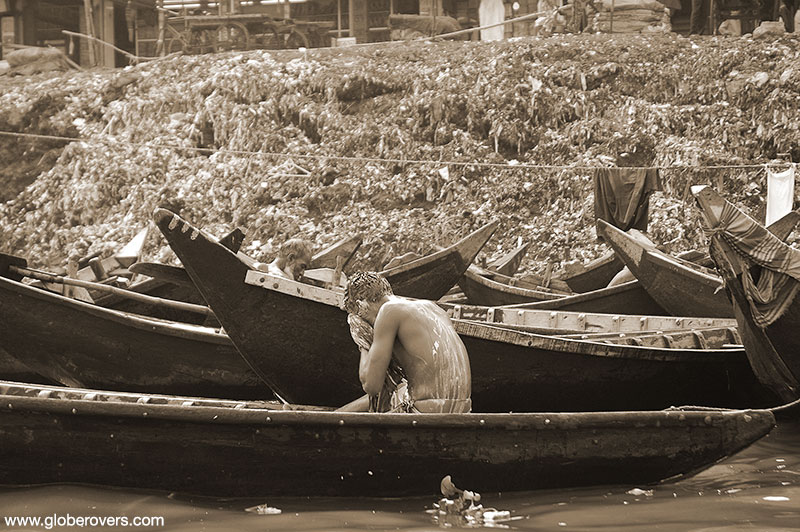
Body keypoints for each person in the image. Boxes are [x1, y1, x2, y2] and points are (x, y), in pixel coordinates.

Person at [337, 272, 472, 413]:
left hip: (427, 412)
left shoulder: (388, 311)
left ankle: (328, 420)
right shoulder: (433, 308)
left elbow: (371, 386)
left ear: (361, 306)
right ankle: (334, 416)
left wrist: (362, 338)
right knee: (398, 390)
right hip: (463, 411)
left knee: (376, 399)